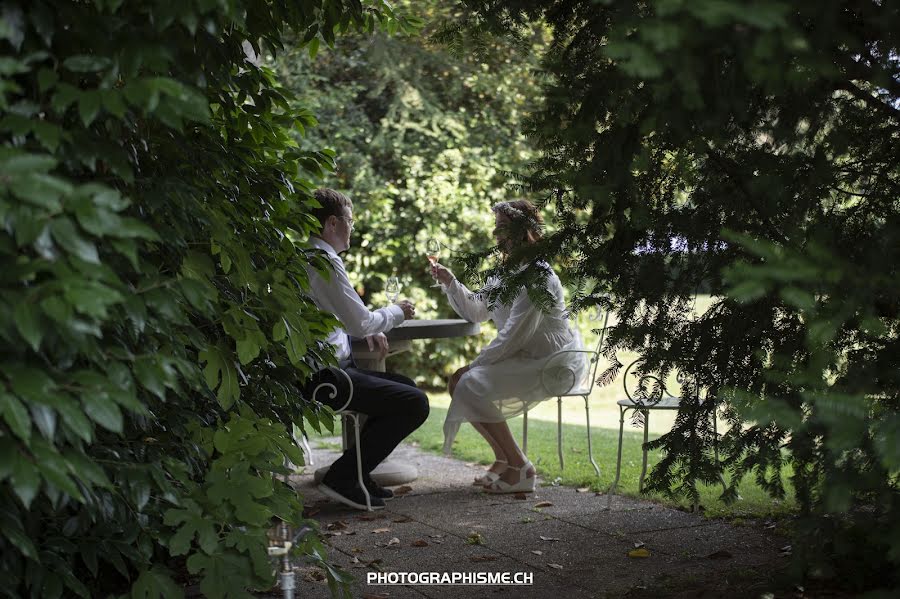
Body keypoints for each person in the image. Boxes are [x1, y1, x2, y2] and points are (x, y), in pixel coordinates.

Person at [430, 200, 586, 494]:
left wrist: (474, 365)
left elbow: (513, 335)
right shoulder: (504, 272)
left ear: (523, 230)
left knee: (469, 381)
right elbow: (477, 311)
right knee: (457, 382)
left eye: (502, 228)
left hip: (552, 362)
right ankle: (505, 459)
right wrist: (451, 282)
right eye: (497, 227)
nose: (496, 233)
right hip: (523, 354)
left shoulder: (537, 276)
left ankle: (523, 468)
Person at [305, 188, 429, 510]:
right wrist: (398, 312)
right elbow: (360, 321)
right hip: (325, 377)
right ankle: (343, 477)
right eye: (350, 220)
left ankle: (357, 473)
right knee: (414, 403)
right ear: (332, 223)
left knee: (406, 388)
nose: (352, 226)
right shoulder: (324, 262)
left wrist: (364, 331)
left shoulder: (314, 258)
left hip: (333, 368)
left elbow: (339, 319)